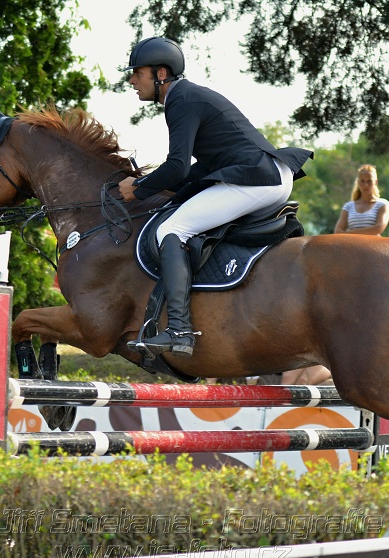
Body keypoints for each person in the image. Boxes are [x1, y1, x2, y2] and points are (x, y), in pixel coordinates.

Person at [117, 37, 313, 357]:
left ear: (161, 74)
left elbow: (177, 167)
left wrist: (138, 189)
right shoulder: (187, 96)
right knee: (177, 214)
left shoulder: (180, 100)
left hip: (257, 179)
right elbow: (204, 165)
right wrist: (165, 191)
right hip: (265, 175)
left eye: (137, 73)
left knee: (171, 230)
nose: (132, 80)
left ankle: (179, 329)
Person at [333, 164, 389, 235]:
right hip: (351, 245)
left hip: (373, 245)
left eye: (369, 181)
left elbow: (378, 228)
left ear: (376, 182)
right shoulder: (348, 206)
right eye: (362, 181)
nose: (366, 185)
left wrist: (349, 233)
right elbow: (338, 231)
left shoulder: (382, 204)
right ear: (358, 182)